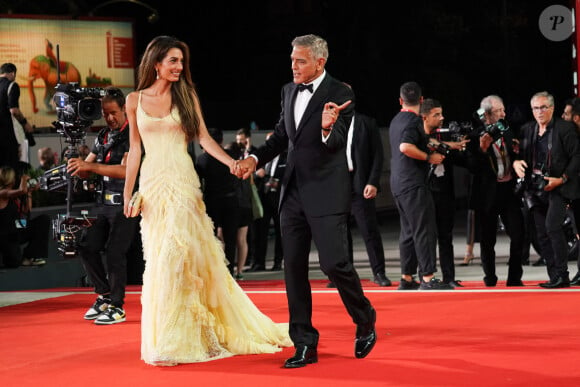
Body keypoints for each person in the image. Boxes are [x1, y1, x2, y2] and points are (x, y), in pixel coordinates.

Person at [122, 35, 290, 366]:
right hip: (153, 186)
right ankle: (169, 337)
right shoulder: (133, 100)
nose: (179, 67)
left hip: (183, 184)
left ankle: (178, 337)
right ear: (156, 63)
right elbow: (135, 150)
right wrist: (128, 193)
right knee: (159, 259)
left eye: (182, 61)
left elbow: (203, 138)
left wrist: (231, 164)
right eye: (173, 61)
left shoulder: (186, 96)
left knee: (177, 255)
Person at [237, 34, 377, 367]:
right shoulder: (288, 91)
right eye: (292, 60)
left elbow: (336, 142)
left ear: (319, 62)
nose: (293, 66)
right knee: (294, 269)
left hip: (327, 193)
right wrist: (254, 159)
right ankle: (304, 342)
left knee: (334, 264)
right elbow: (282, 137)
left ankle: (365, 316)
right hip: (292, 193)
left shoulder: (341, 93)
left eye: (300, 61)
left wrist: (329, 128)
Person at [65, 87, 141, 325]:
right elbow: (86, 168)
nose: (109, 118)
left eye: (113, 113)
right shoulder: (102, 137)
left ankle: (117, 306)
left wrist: (91, 168)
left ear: (124, 111)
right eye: (105, 113)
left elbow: (126, 171)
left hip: (125, 203)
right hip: (102, 203)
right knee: (85, 245)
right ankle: (105, 295)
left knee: (114, 252)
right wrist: (73, 168)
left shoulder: (134, 136)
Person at [388, 81, 453, 291]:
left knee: (408, 231)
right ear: (422, 100)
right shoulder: (413, 121)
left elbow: (412, 142)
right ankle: (427, 278)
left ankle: (406, 278)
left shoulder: (396, 120)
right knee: (424, 230)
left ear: (400, 101)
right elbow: (405, 146)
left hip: (398, 184)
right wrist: (428, 157)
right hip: (413, 183)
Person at [513, 91, 580, 288]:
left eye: (544, 107)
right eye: (536, 108)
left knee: (553, 227)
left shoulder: (564, 129)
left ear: (552, 108)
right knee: (541, 233)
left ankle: (562, 274)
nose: (540, 111)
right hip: (535, 187)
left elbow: (577, 156)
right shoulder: (527, 130)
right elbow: (517, 153)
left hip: (559, 186)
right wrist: (516, 162)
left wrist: (562, 178)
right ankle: (555, 276)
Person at [468, 95, 525, 287]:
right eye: (500, 111)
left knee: (518, 235)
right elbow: (472, 167)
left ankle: (514, 278)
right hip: (487, 195)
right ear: (488, 114)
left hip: (508, 191)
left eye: (503, 110)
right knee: (487, 239)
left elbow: (514, 152)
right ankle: (490, 278)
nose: (504, 113)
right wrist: (482, 150)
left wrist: (516, 152)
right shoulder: (476, 136)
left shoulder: (506, 130)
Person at [421, 98, 470, 288]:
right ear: (424, 117)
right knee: (426, 236)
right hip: (425, 191)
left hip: (445, 192)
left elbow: (460, 159)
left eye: (441, 114)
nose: (442, 118)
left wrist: (462, 147)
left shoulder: (445, 135)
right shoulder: (418, 136)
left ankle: (449, 277)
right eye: (437, 115)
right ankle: (426, 276)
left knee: (445, 235)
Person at [345, 108, 391, 287]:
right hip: (337, 186)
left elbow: (378, 155)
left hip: (361, 183)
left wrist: (373, 182)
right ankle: (344, 276)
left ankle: (379, 272)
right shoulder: (327, 124)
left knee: (369, 230)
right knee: (339, 233)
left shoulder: (366, 122)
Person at [195, 128, 240, 275]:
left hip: (212, 201)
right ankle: (230, 271)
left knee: (211, 238)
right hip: (231, 200)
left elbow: (197, 182)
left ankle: (214, 271)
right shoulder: (232, 155)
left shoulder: (202, 159)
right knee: (231, 238)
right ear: (221, 140)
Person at [0, 166, 49, 268]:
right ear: (11, 179)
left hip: (17, 227)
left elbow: (26, 210)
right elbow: (21, 190)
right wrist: (24, 179)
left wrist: (29, 192)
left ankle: (31, 256)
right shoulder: (2, 193)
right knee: (14, 264)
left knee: (43, 220)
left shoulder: (14, 196)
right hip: (6, 234)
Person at [253, 131, 286, 272]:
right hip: (263, 199)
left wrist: (278, 183)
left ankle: (278, 262)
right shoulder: (261, 159)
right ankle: (259, 263)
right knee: (260, 232)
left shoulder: (286, 157)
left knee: (280, 233)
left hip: (279, 199)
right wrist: (257, 174)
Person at [1, 63, 34, 171]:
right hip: (8, 136)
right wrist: (25, 123)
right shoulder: (12, 85)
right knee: (13, 169)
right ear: (13, 73)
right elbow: (14, 110)